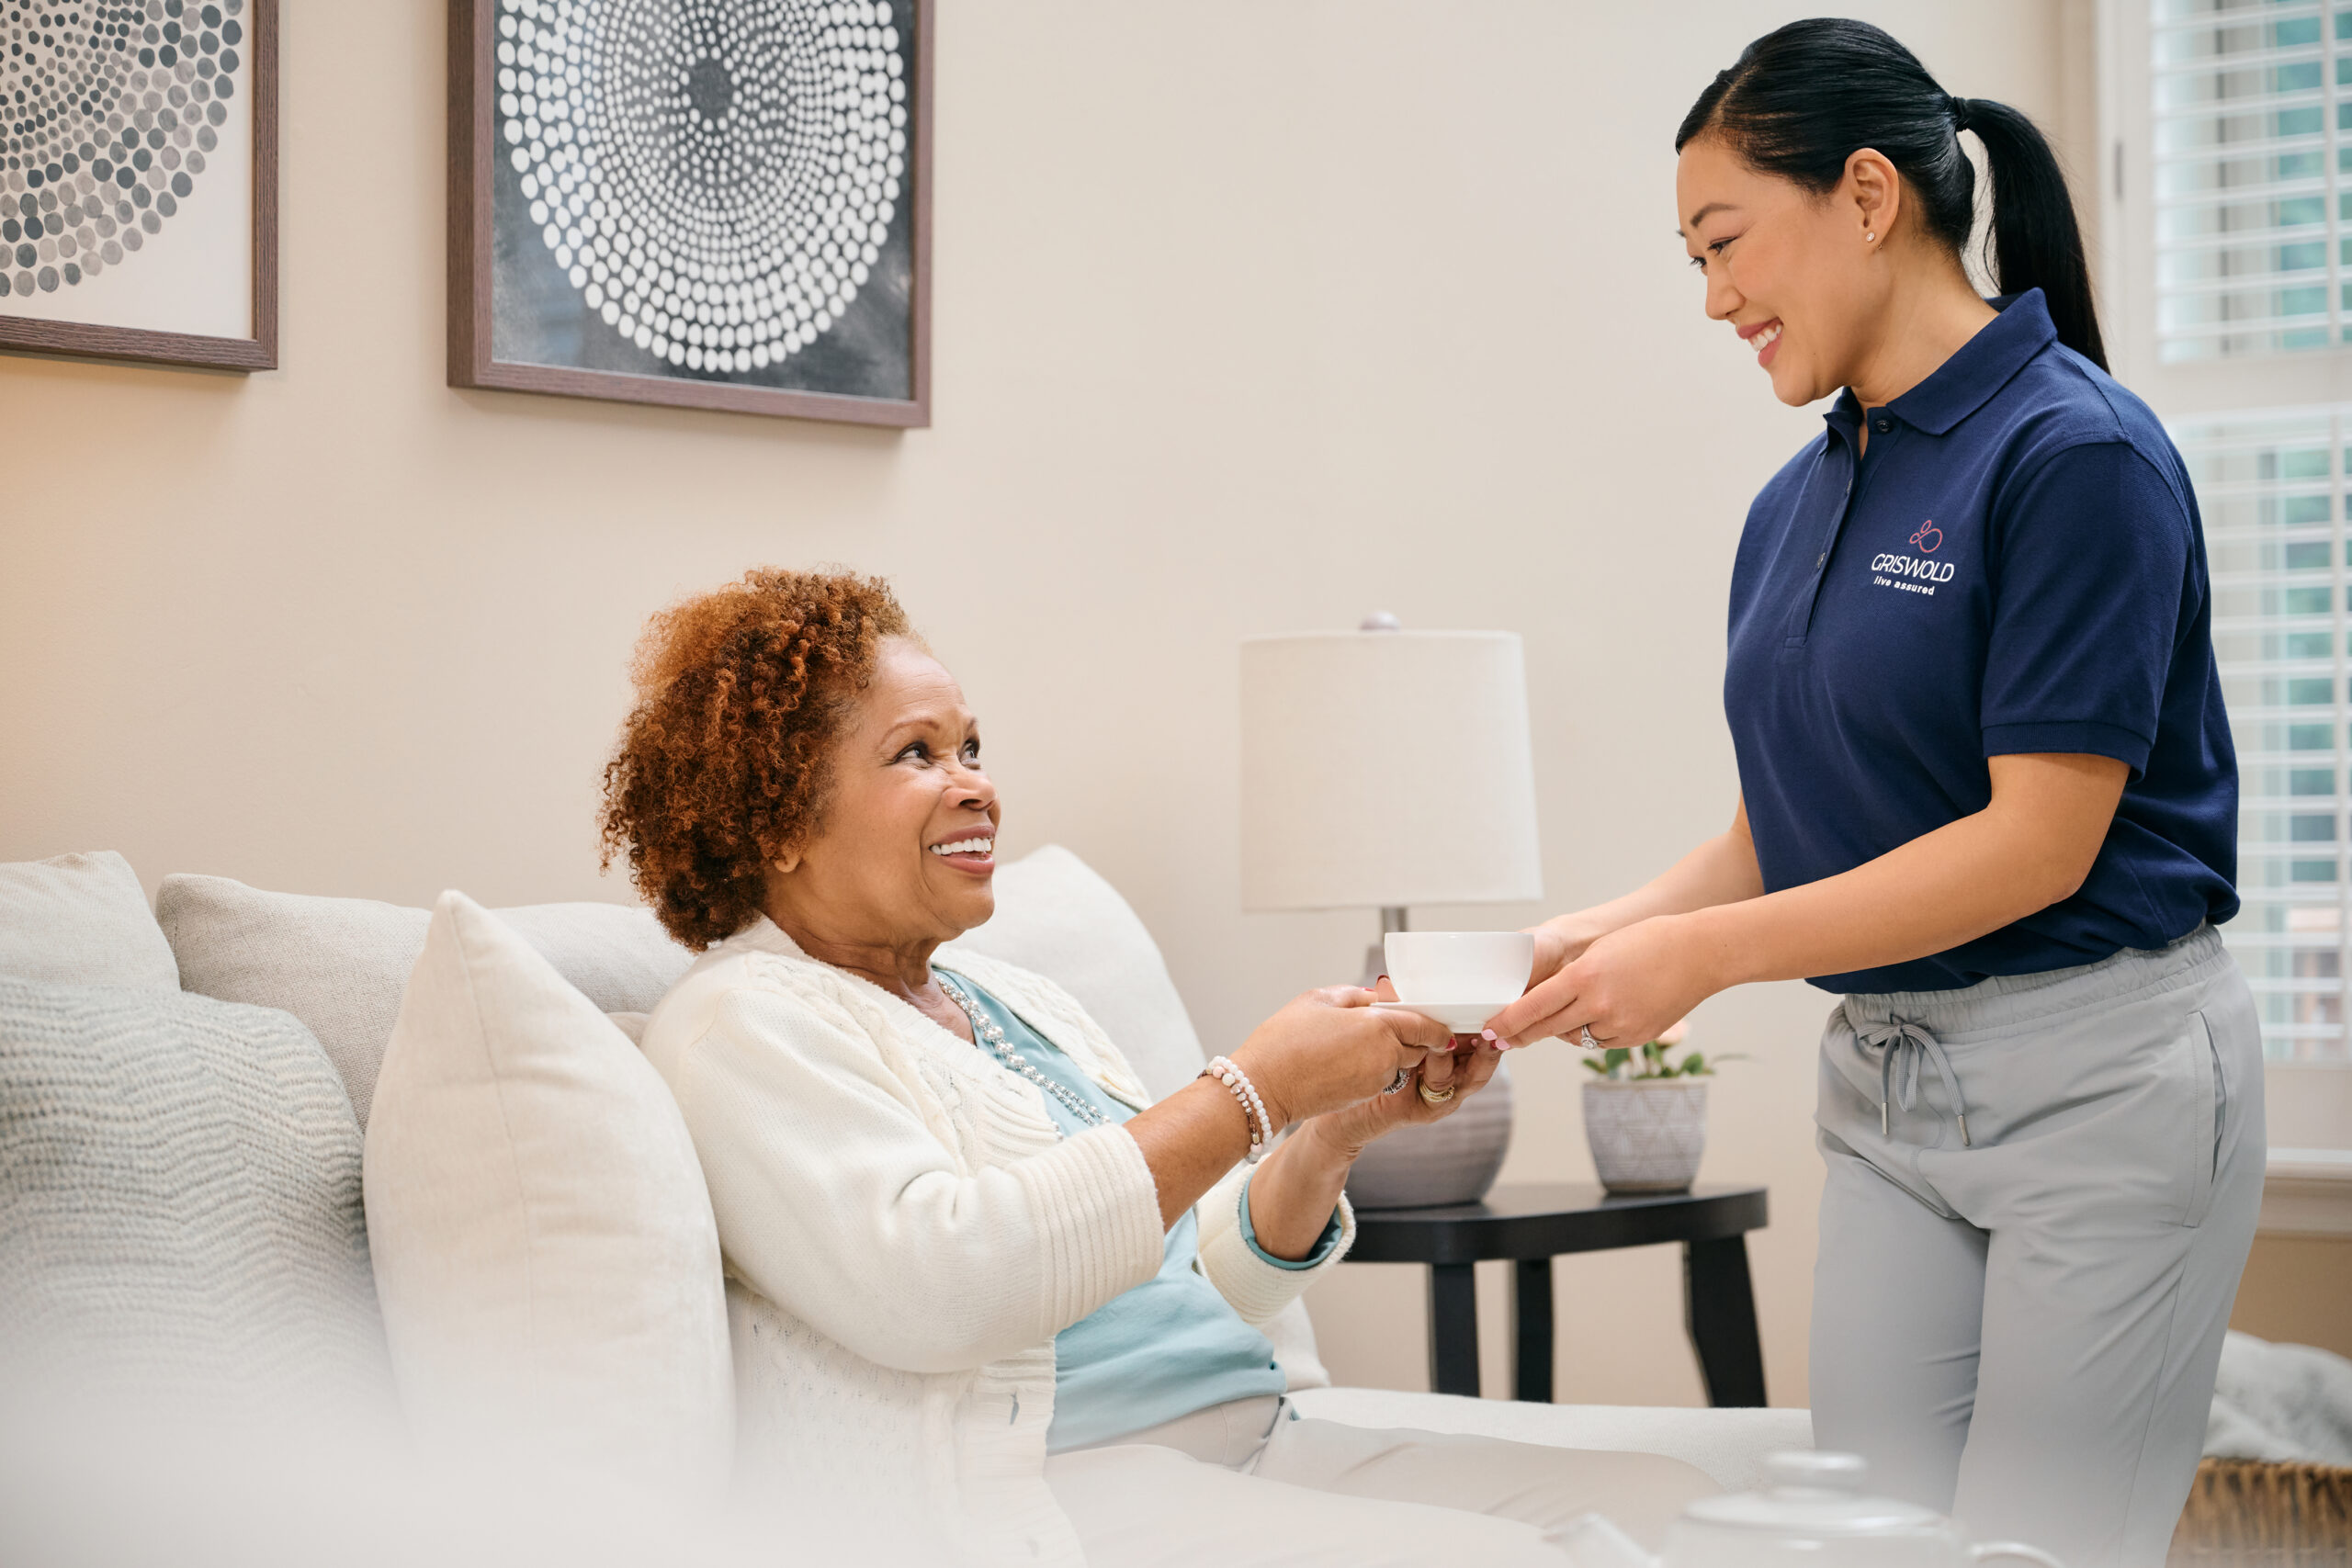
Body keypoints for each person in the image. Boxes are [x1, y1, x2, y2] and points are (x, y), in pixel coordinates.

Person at [1483, 21, 2261, 1568]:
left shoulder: (2080, 457)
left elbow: (2038, 844)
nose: (1714, 298)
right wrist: (1587, 939)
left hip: (2105, 1091)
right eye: (1694, 261)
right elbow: (1784, 827)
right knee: (1864, 1547)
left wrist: (1701, 960)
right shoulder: (1799, 499)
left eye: (1724, 242)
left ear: (1863, 193)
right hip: (1895, 1096)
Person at [600, 570, 1714, 1568]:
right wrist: (1255, 1092)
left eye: (972, 748)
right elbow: (944, 1289)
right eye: (915, 754)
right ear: (776, 821)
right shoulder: (739, 1025)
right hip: (1059, 1490)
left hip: (1251, 1440)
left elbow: (1201, 1285)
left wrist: (1333, 1127)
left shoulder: (1021, 1002)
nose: (975, 785)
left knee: (1696, 1516)